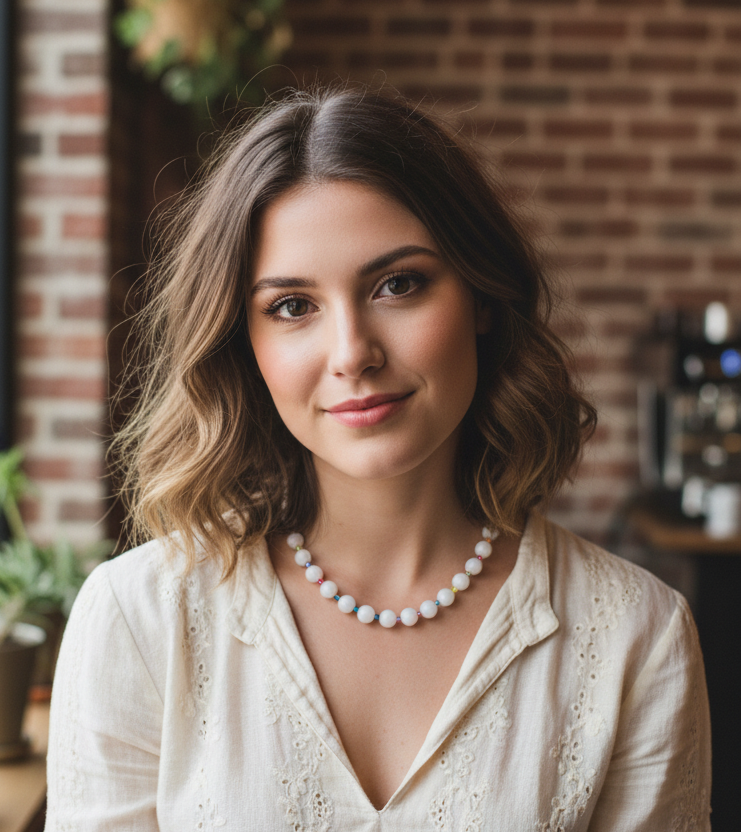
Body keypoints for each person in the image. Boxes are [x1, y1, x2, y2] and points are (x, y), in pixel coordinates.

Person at [45, 86, 711, 830]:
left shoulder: (636, 637)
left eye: (399, 285)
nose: (352, 353)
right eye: (292, 306)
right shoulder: (138, 618)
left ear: (482, 297)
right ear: (243, 342)